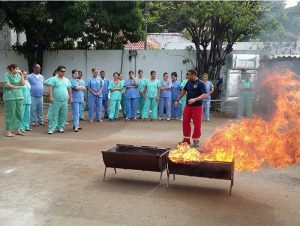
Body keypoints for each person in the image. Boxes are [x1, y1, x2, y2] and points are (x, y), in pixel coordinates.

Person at [174, 69, 208, 147]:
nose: (187, 76)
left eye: (189, 75)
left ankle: (196, 140)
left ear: (194, 75)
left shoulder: (201, 83)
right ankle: (186, 140)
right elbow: (183, 91)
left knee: (197, 124)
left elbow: (204, 95)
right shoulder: (188, 82)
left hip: (197, 107)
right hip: (188, 106)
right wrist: (177, 100)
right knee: (185, 122)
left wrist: (194, 99)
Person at [46, 65, 72, 134]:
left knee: (63, 115)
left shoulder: (67, 80)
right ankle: (51, 128)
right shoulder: (54, 79)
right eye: (62, 71)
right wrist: (50, 97)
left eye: (64, 71)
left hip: (64, 101)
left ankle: (61, 127)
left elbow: (69, 89)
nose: (63, 72)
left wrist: (70, 97)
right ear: (58, 71)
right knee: (54, 115)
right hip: (55, 100)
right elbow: (50, 87)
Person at [2, 64, 25, 137]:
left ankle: (17, 129)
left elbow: (23, 84)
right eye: (17, 69)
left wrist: (21, 75)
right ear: (12, 68)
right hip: (10, 97)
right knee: (10, 113)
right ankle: (8, 131)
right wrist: (17, 87)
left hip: (19, 96)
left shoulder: (18, 75)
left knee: (19, 113)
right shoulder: (6, 74)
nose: (18, 70)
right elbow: (7, 85)